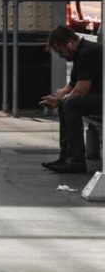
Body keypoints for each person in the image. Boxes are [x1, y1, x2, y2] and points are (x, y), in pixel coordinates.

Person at [40, 25, 102, 174]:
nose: (61, 56)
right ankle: (66, 157)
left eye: (60, 51)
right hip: (99, 96)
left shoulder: (88, 52)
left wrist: (60, 100)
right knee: (67, 103)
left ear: (68, 44)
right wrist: (58, 97)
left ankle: (76, 160)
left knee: (70, 104)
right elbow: (72, 85)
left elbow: (81, 90)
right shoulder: (80, 52)